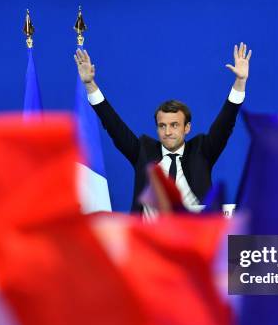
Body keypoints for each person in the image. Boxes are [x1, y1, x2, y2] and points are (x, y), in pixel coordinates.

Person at [74, 42, 251, 213]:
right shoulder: (143, 151)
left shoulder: (202, 150)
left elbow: (225, 123)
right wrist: (90, 85)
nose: (167, 132)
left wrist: (240, 82)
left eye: (174, 125)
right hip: (150, 239)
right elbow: (113, 125)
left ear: (186, 128)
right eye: (162, 126)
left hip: (193, 238)